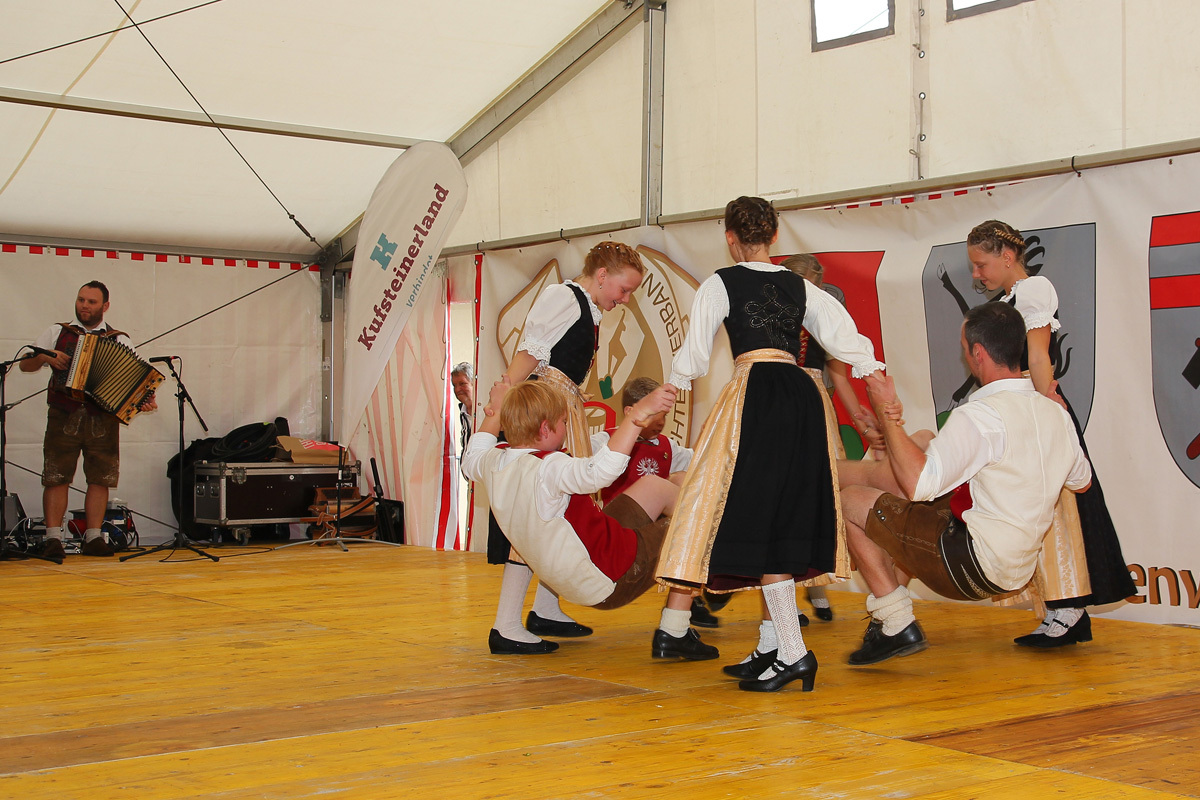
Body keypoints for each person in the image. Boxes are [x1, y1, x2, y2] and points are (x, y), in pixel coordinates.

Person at [658, 196, 885, 692]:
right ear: (775, 235)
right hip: (801, 398)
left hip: (756, 398)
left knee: (760, 517)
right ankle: (772, 644)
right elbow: (844, 337)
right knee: (782, 513)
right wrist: (873, 373)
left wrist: (670, 387)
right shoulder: (801, 286)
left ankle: (793, 652)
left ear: (730, 236)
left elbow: (695, 355)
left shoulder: (721, 282)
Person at [838, 302, 1093, 665]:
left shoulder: (978, 416)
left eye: (964, 349)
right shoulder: (1055, 413)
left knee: (851, 500)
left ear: (978, 353)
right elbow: (1081, 483)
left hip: (971, 566)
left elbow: (918, 485)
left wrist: (886, 413)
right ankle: (890, 614)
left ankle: (895, 622)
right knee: (916, 484)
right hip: (1018, 569)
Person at [966, 220, 1135, 646]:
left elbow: (1039, 357)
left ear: (1008, 257)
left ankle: (1070, 610)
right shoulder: (1010, 299)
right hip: (1021, 404)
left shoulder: (1035, 289)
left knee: (1061, 507)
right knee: (1033, 505)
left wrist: (1047, 409)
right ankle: (1057, 608)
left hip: (1036, 404)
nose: (977, 275)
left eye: (981, 264)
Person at [465, 378, 712, 659]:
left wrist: (495, 410)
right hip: (608, 580)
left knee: (655, 486)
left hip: (586, 565)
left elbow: (472, 455)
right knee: (696, 523)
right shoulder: (549, 468)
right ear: (545, 428)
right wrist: (637, 415)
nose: (566, 428)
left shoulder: (492, 462)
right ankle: (676, 629)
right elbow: (601, 472)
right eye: (563, 422)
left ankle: (701, 571)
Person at [485, 241, 647, 654]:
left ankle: (545, 609)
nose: (625, 299)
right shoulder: (563, 297)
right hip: (545, 411)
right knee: (535, 519)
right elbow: (529, 354)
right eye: (624, 290)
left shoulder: (586, 307)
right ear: (603, 275)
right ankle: (506, 624)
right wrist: (501, 403)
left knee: (558, 514)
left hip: (560, 408)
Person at [780, 253, 886, 623]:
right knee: (785, 499)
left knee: (819, 495)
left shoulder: (825, 315)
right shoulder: (771, 313)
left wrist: (862, 421)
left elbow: (838, 374)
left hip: (812, 405)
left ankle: (816, 585)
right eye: (808, 286)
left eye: (816, 288)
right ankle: (786, 596)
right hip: (780, 402)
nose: (813, 293)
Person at [19, 281, 156, 559]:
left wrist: (144, 400)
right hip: (63, 413)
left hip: (102, 418)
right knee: (56, 476)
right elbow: (25, 364)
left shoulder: (119, 339)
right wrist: (46, 357)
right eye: (81, 299)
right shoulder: (57, 332)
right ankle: (53, 538)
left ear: (105, 306)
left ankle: (93, 537)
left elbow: (137, 380)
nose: (84, 305)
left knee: (100, 477)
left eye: (91, 302)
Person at [590, 377, 718, 627]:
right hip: (620, 529)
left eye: (665, 416)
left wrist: (708, 434)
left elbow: (696, 462)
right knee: (680, 500)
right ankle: (703, 576)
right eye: (655, 415)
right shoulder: (605, 442)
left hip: (652, 529)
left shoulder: (667, 446)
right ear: (631, 411)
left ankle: (686, 592)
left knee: (683, 479)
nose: (660, 422)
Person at [451, 361, 475, 457]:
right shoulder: (463, 412)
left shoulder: (487, 411)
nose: (457, 389)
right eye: (454, 385)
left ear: (474, 384)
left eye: (462, 384)